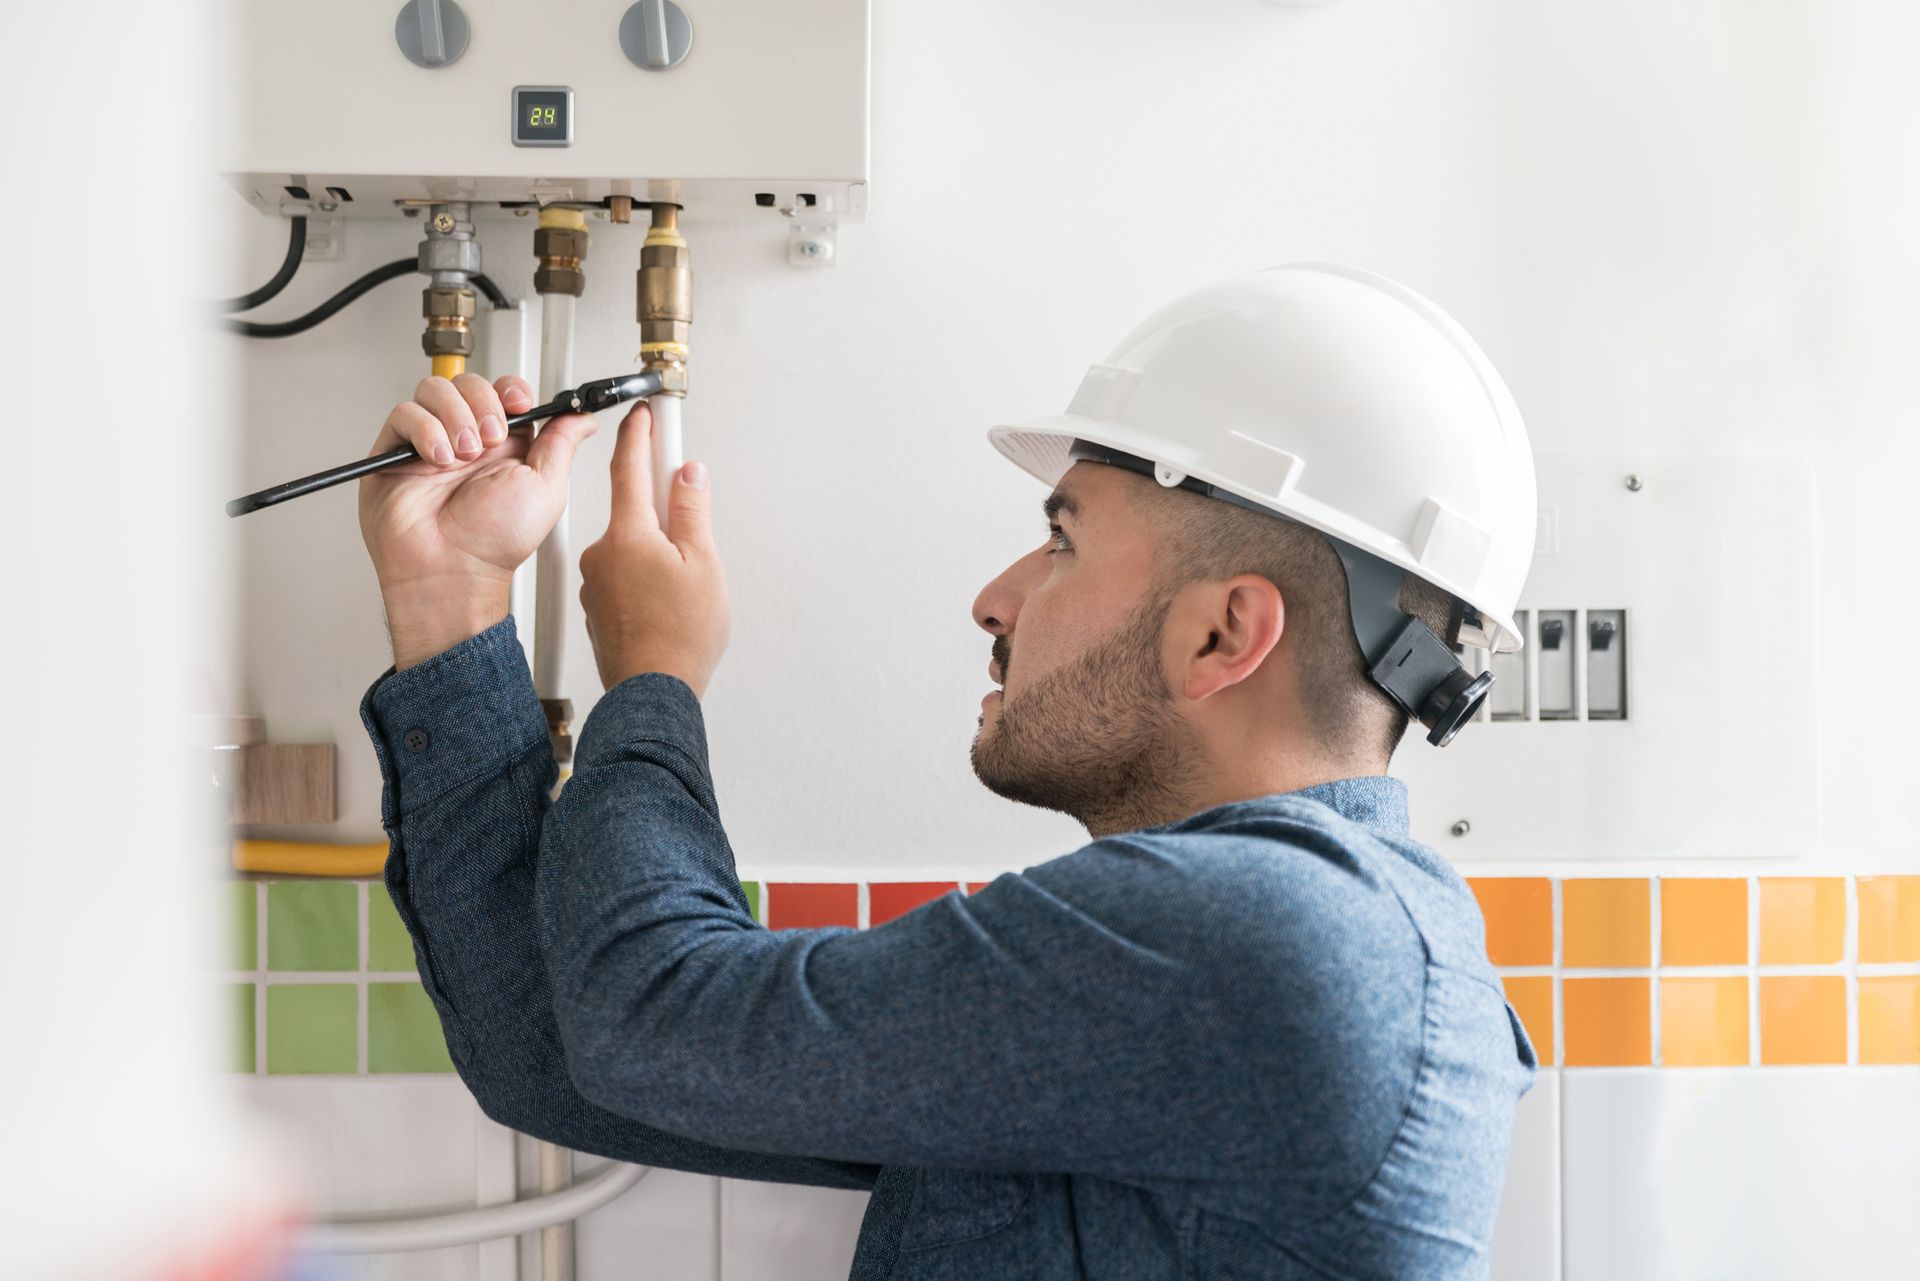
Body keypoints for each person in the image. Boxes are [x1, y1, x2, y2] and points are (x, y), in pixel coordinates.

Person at [356, 263, 1540, 1279]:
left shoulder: (1278, 938)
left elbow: (647, 1021)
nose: (998, 597)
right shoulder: (1219, 977)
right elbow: (569, 1058)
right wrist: (448, 598)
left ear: (1225, 634)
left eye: (1063, 536)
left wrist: (654, 676)